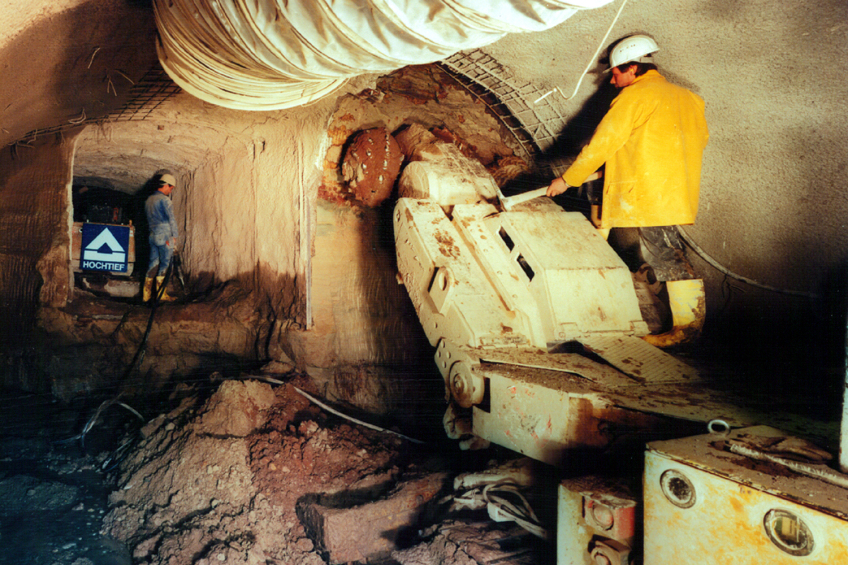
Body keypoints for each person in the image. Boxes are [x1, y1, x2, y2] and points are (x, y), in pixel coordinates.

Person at [547, 35, 710, 342]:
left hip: (649, 191)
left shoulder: (635, 96)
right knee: (663, 249)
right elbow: (696, 141)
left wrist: (567, 179)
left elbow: (602, 144)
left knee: (663, 253)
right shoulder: (688, 98)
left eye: (617, 73)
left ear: (633, 68)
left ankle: (686, 332)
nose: (613, 80)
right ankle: (682, 328)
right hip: (673, 190)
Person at [143, 173, 179, 302]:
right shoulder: (165, 200)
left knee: (153, 263)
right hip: (164, 235)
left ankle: (146, 296)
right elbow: (172, 219)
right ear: (165, 186)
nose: (170, 191)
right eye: (171, 188)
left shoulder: (148, 200)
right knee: (165, 264)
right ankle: (161, 294)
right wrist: (174, 235)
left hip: (152, 235)